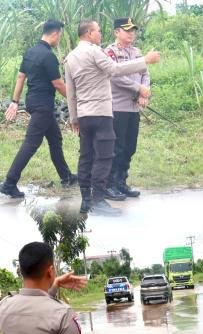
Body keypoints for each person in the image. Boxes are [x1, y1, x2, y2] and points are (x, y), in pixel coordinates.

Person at [65, 20, 160, 215]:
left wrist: (74, 118)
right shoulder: (96, 51)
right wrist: (146, 61)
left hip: (84, 114)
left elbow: (70, 91)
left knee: (86, 156)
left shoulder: (70, 57)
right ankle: (99, 199)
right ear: (90, 33)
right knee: (105, 156)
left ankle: (86, 200)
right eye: (98, 31)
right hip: (101, 112)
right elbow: (114, 70)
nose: (100, 34)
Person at [0, 20, 77, 199]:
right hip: (43, 105)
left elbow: (21, 77)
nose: (59, 39)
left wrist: (15, 101)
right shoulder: (48, 56)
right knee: (31, 144)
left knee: (55, 139)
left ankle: (66, 177)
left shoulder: (30, 52)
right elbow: (58, 84)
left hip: (34, 102)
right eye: (60, 36)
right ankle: (9, 183)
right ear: (55, 33)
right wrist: (76, 101)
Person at [104, 17, 150, 200]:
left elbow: (145, 73)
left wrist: (144, 92)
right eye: (127, 30)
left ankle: (122, 182)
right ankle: (110, 184)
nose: (131, 33)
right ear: (116, 32)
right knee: (117, 147)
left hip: (133, 108)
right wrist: (138, 88)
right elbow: (114, 76)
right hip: (118, 107)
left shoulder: (137, 52)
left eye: (133, 30)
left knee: (130, 147)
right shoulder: (110, 52)